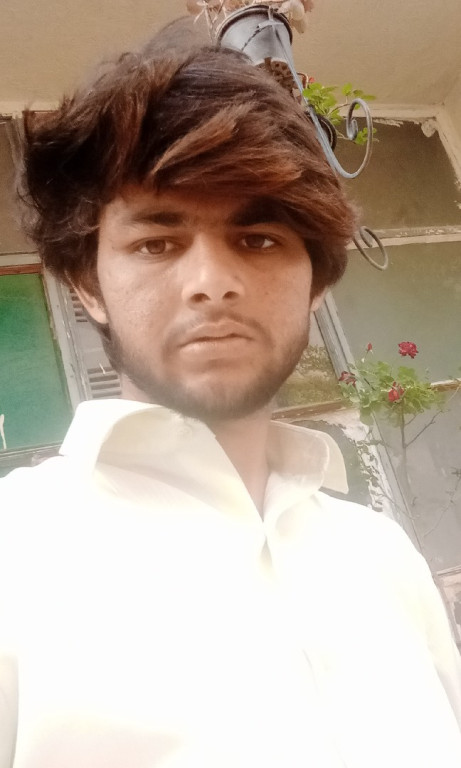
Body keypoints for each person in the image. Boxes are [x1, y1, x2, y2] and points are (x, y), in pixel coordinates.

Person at [1, 26, 461, 768]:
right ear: (88, 286)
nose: (211, 282)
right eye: (156, 243)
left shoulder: (382, 556)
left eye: (258, 240)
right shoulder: (15, 550)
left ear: (316, 283)